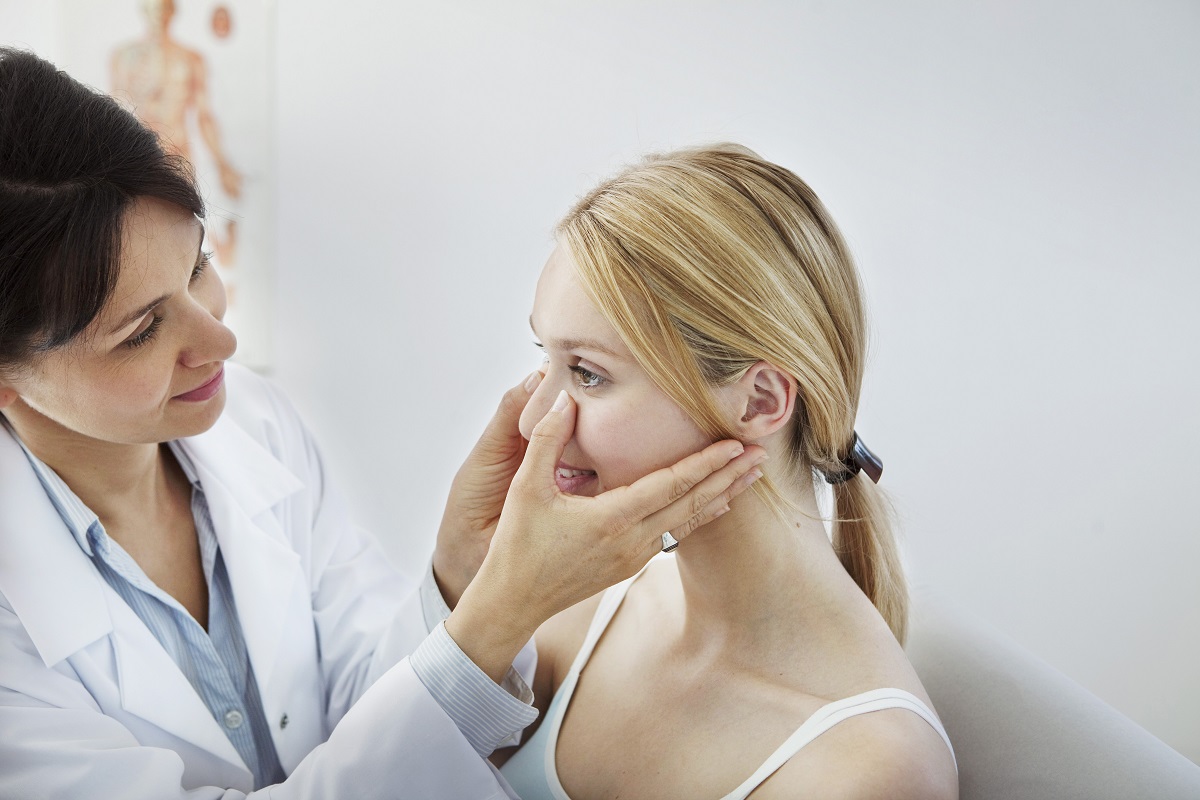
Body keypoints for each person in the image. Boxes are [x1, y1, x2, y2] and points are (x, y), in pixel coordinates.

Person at [0, 50, 765, 799]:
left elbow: (363, 714)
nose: (221, 342)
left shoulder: (258, 430)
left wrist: (462, 571)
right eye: (141, 332)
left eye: (197, 266)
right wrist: (504, 610)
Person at [496, 144, 959, 799]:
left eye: (589, 374)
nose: (533, 421)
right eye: (547, 359)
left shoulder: (865, 770)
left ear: (761, 401)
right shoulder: (586, 601)